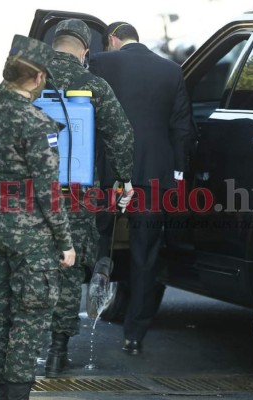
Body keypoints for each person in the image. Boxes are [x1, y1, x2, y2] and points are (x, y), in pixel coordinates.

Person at [0, 18, 135, 378]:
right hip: (75, 195)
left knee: (11, 271)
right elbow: (119, 137)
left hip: (21, 196)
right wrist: (124, 180)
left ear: (53, 43)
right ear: (85, 51)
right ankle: (58, 352)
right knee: (67, 270)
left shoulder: (22, 78)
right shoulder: (93, 84)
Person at [0, 34, 76, 400]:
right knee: (30, 318)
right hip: (31, 232)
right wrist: (65, 242)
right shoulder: (38, 124)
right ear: (39, 77)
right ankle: (16, 394)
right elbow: (48, 192)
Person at [90, 22, 194, 355]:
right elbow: (183, 129)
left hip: (107, 174)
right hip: (153, 175)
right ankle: (134, 335)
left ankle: (85, 304)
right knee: (145, 255)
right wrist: (178, 176)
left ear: (112, 40)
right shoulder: (171, 70)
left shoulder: (101, 62)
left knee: (96, 239)